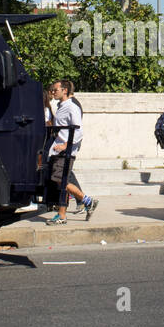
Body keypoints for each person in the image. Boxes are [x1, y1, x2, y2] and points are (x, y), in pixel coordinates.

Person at [45, 79, 97, 225]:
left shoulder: (72, 107)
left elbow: (78, 131)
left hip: (65, 152)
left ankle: (87, 200)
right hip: (57, 151)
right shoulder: (61, 106)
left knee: (60, 181)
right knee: (62, 182)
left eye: (56, 90)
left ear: (65, 90)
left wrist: (65, 145)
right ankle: (62, 215)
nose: (53, 92)